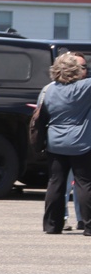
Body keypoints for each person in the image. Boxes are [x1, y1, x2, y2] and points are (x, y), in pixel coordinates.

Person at [38, 52, 91, 236]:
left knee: (56, 183)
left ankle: (52, 225)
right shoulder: (85, 87)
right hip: (80, 142)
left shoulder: (50, 89)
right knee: (84, 183)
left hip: (55, 142)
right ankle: (88, 225)